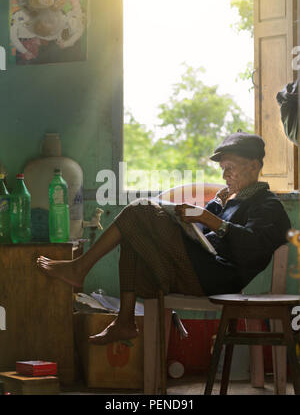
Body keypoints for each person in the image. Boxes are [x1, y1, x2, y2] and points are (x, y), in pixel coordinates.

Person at [37, 131, 291, 345]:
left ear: (254, 166)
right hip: (196, 268)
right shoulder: (227, 199)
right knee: (134, 233)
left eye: (230, 168)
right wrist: (188, 218)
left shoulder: (267, 205)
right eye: (223, 169)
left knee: (140, 209)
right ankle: (124, 321)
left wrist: (209, 219)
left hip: (219, 279)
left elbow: (254, 248)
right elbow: (204, 235)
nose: (224, 176)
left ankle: (81, 269)